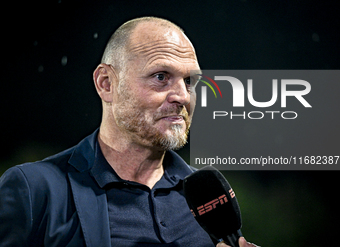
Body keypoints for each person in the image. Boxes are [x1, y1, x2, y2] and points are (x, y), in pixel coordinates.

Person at [0, 17, 258, 247]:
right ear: (106, 84)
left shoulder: (208, 195)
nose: (183, 96)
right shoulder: (34, 190)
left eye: (190, 81)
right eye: (160, 76)